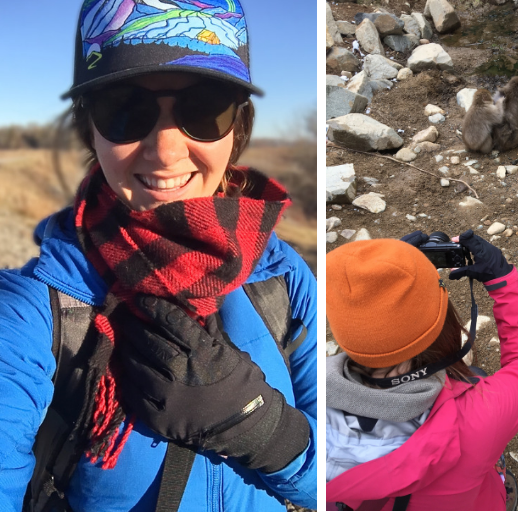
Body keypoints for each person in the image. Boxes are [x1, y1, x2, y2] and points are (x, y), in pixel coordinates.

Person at [0, 1, 317, 509]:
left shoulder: (282, 277)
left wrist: (261, 427)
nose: (166, 152)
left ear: (239, 126)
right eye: (124, 109)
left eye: (204, 108)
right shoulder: (35, 312)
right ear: (90, 129)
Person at [325, 231, 518, 510]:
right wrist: (503, 281)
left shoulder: (311, 405)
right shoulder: (480, 415)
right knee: (475, 375)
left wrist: (377, 291)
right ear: (442, 325)